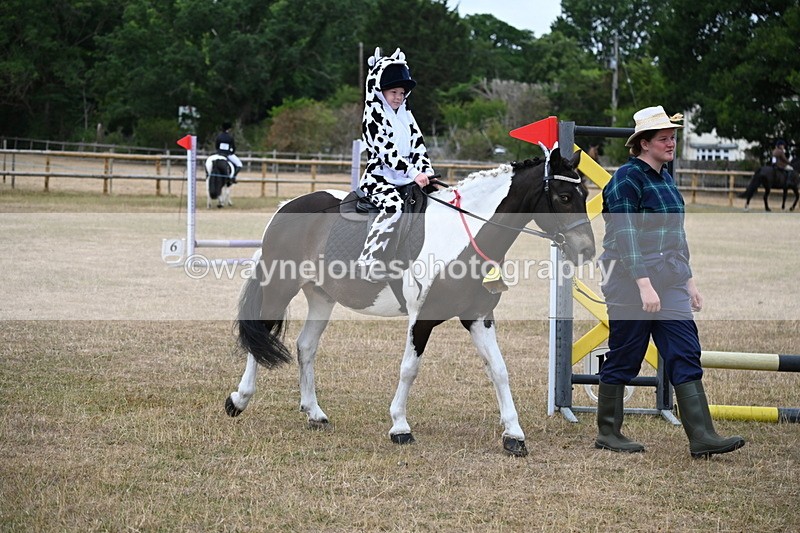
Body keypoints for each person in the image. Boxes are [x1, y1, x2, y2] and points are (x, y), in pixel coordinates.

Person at [595, 105, 745, 458]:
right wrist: (643, 284)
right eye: (663, 138)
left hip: (671, 279)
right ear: (643, 143)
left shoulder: (665, 178)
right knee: (626, 354)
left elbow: (677, 234)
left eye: (673, 138)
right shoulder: (626, 179)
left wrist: (688, 280)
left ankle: (703, 436)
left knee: (685, 351)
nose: (671, 143)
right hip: (629, 280)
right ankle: (608, 432)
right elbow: (626, 235)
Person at [357, 48, 435, 280]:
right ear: (381, 91)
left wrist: (425, 171)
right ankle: (369, 261)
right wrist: (413, 173)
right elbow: (386, 152)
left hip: (407, 176)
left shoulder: (406, 115)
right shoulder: (373, 114)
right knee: (393, 208)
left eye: (402, 92)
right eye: (393, 92)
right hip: (379, 178)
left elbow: (418, 145)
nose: (398, 97)